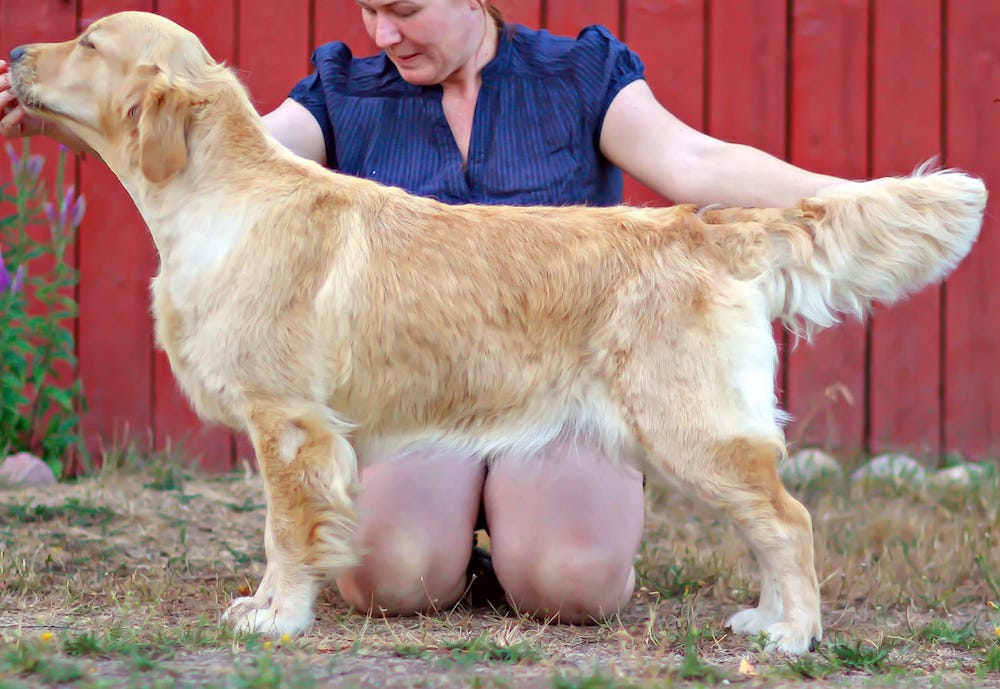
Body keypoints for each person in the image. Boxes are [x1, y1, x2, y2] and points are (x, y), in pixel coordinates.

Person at [0, 0, 846, 624]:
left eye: (403, 11)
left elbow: (694, 163)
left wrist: (839, 204)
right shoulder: (341, 89)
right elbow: (215, 154)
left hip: (561, 382)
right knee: (389, 582)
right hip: (420, 415)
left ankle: (750, 578)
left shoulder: (581, 72)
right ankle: (455, 540)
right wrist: (70, 119)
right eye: (369, 11)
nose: (383, 34)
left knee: (571, 585)